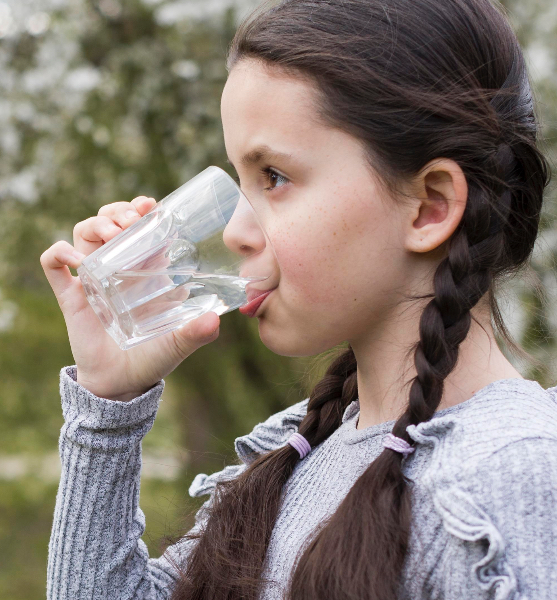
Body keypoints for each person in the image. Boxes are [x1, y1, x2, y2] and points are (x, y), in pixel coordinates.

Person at [39, 0, 557, 599]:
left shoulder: (512, 480)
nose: (233, 229)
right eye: (239, 179)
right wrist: (109, 405)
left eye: (275, 178)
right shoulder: (302, 447)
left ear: (430, 206)